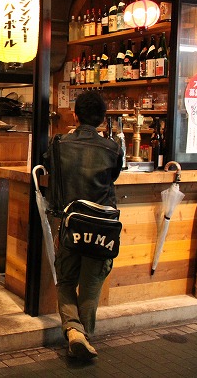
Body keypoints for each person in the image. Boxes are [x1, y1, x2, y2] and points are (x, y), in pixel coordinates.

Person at [45, 91, 123, 360]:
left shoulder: (58, 143)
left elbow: (49, 169)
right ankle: (82, 336)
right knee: (91, 284)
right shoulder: (113, 148)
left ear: (75, 116)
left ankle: (75, 332)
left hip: (70, 223)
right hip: (103, 227)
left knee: (66, 279)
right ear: (102, 120)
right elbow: (114, 176)